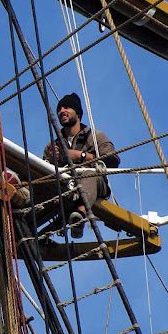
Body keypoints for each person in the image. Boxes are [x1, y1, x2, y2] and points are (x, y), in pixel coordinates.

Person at [43, 93, 120, 238]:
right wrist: (52, 161)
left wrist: (80, 156)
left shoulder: (95, 136)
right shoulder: (53, 145)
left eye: (67, 107)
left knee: (89, 173)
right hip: (65, 184)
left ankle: (79, 217)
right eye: (59, 109)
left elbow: (112, 161)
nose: (61, 111)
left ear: (78, 113)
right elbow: (43, 168)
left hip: (94, 183)